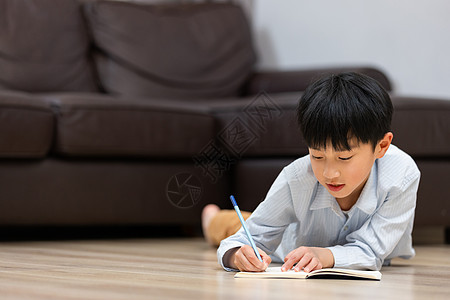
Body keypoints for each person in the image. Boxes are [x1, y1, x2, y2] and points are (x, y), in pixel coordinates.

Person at [201, 72, 420, 273]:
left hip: (312, 253)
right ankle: (211, 219)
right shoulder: (296, 177)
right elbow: (245, 240)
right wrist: (236, 255)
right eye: (317, 156)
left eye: (344, 158)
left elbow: (371, 252)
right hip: (290, 246)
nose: (329, 173)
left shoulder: (401, 176)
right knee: (237, 225)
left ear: (382, 146)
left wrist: (323, 255)